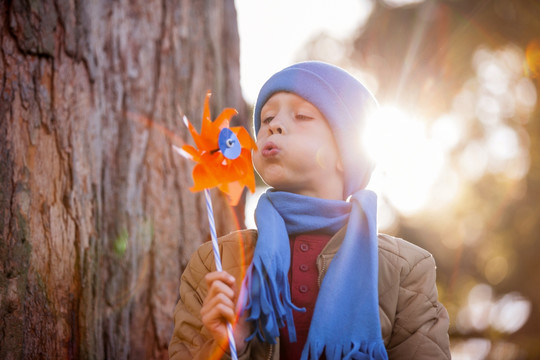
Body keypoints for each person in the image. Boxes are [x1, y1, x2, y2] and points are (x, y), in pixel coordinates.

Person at [169, 61, 451, 360]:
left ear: (346, 154)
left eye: (302, 115)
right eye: (266, 118)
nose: (273, 125)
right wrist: (227, 349)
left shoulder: (406, 268)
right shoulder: (215, 261)